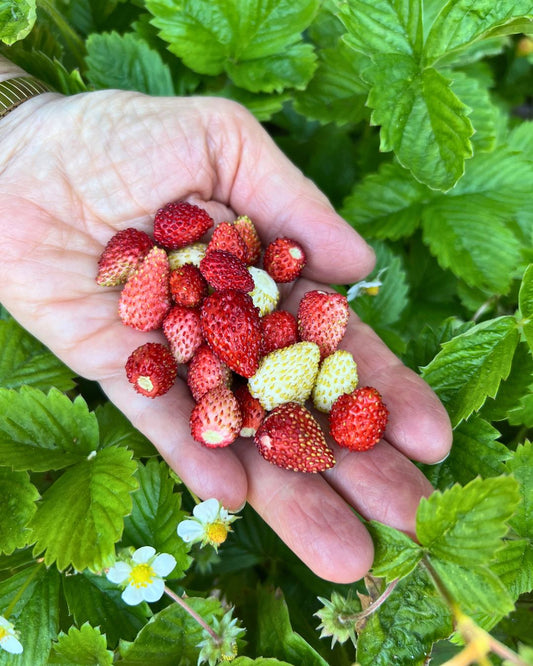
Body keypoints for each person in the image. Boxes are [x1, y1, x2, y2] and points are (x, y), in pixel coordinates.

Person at [0, 56, 452, 584]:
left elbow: (241, 319)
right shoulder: (196, 289)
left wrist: (18, 126)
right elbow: (221, 310)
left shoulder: (238, 313)